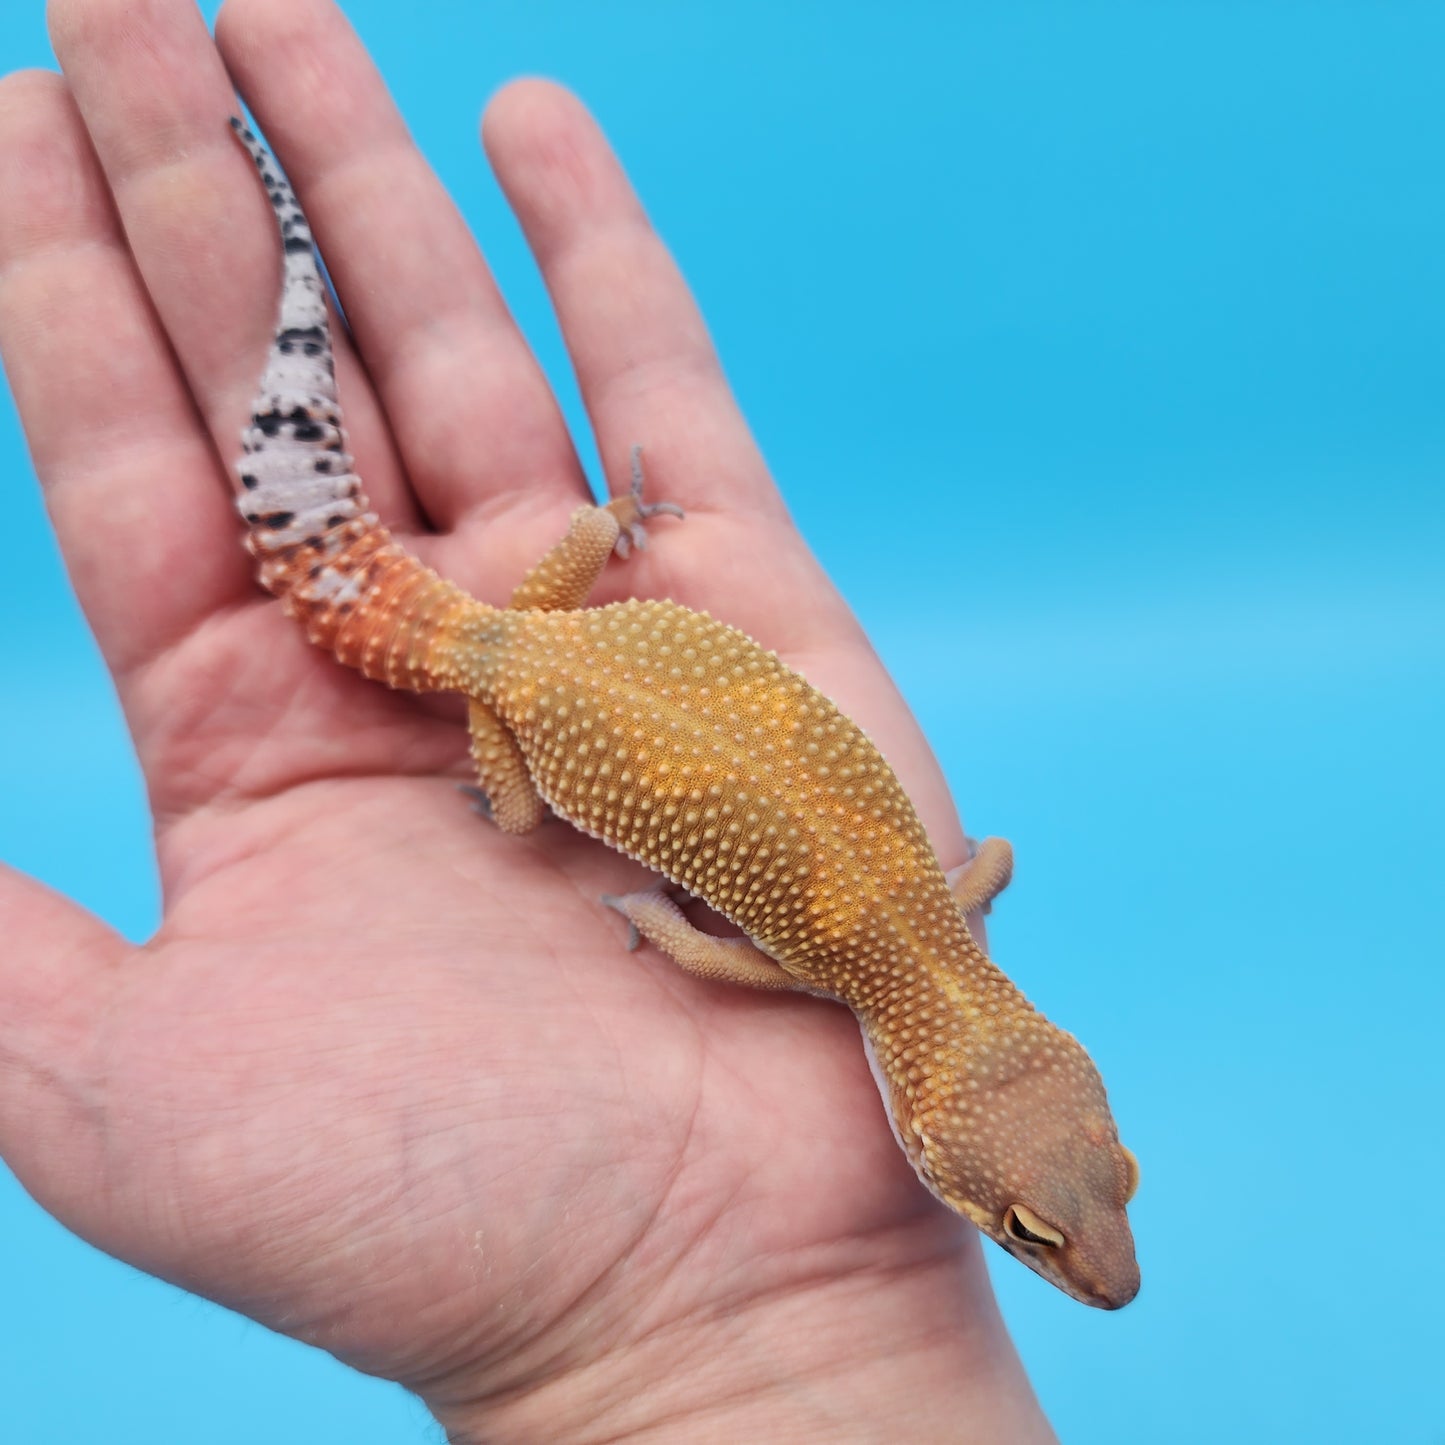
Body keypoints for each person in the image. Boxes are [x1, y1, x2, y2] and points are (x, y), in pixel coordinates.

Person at [0, 0, 1053, 1437]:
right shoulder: (835, 968)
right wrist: (619, 898)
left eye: (1041, 1225)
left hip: (563, 616)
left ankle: (515, 462)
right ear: (928, 1129)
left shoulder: (934, 911)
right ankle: (301, 297)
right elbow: (694, 943)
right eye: (1027, 1230)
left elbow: (986, 859)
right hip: (509, 685)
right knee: (509, 816)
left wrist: (608, 530)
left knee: (492, 677)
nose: (1067, 1258)